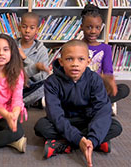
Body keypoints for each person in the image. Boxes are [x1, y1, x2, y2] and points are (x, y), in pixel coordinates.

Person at [34, 39, 122, 167]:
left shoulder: (94, 79)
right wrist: (78, 138)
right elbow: (55, 115)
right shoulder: (52, 82)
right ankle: (92, 143)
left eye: (81, 59)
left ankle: (67, 144)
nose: (75, 64)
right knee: (41, 127)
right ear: (61, 61)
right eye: (69, 59)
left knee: (115, 126)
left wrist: (93, 138)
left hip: (87, 119)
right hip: (65, 120)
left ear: (88, 62)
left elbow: (102, 110)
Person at [81, 4, 130, 115]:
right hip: (79, 87)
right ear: (81, 27)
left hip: (97, 87)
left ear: (101, 27)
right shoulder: (77, 46)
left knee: (124, 89)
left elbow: (108, 72)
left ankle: (94, 105)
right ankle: (100, 106)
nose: (93, 31)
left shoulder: (105, 48)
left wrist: (108, 81)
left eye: (97, 27)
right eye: (89, 27)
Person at [17, 12, 50, 108]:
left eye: (32, 28)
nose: (27, 30)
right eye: (24, 27)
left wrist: (25, 59)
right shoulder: (12, 46)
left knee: (48, 85)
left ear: (37, 30)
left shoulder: (41, 50)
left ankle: (18, 102)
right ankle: (31, 102)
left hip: (32, 87)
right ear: (19, 28)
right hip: (14, 85)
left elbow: (43, 77)